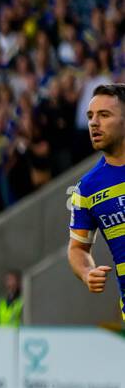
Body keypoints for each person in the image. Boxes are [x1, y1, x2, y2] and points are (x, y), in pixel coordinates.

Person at [67, 83, 125, 321]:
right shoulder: (87, 188)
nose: (94, 123)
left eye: (104, 115)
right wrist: (86, 272)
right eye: (90, 116)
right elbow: (77, 248)